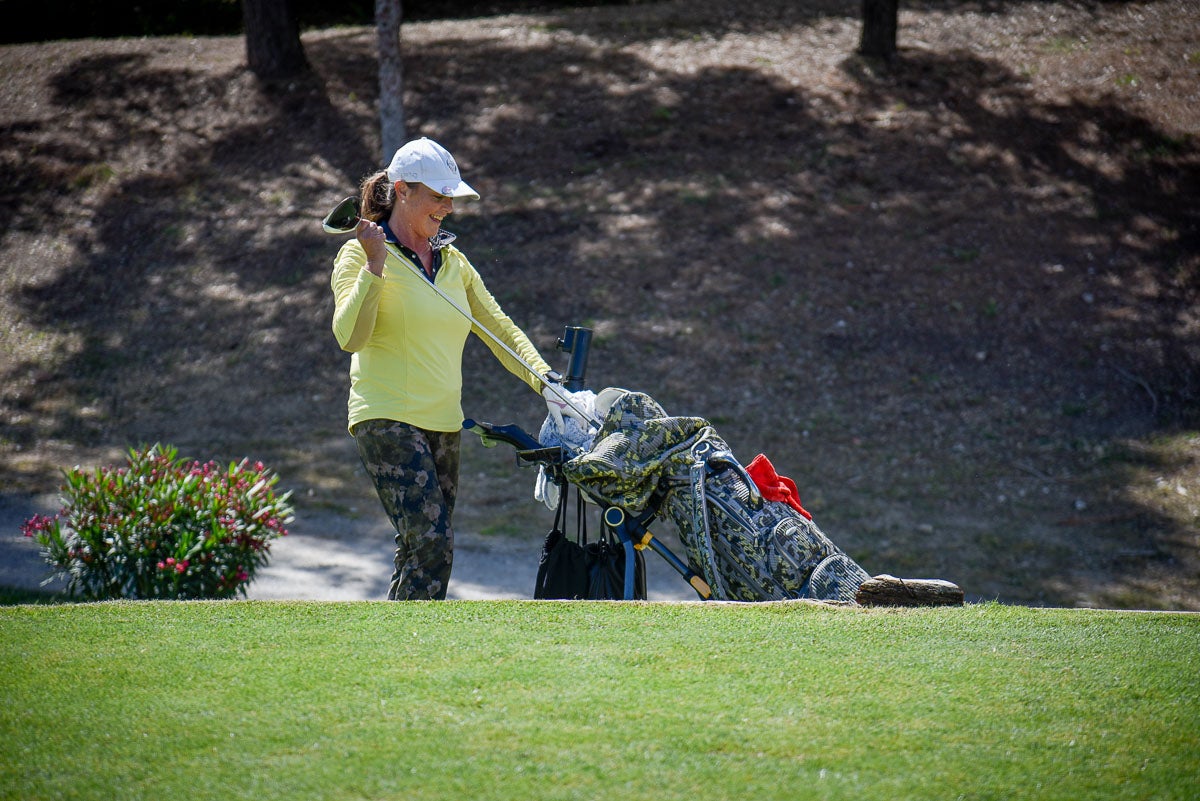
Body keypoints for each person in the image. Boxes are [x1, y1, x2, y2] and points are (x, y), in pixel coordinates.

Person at [330, 137, 575, 600]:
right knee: (431, 543)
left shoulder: (454, 263)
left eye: (450, 198)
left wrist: (546, 382)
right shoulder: (358, 255)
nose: (447, 207)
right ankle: (416, 653)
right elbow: (350, 337)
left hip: (443, 422)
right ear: (402, 191)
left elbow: (497, 327)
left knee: (422, 547)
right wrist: (376, 265)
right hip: (386, 416)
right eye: (438, 196)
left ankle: (397, 650)